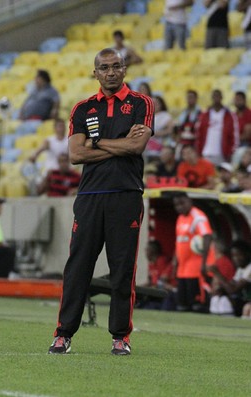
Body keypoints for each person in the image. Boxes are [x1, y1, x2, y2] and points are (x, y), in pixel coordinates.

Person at [48, 48, 154, 355]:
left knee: (122, 270)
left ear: (124, 69)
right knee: (77, 268)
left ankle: (120, 337)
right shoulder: (83, 109)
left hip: (126, 194)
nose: (111, 72)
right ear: (95, 72)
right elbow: (75, 155)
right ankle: (63, 333)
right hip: (90, 197)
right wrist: (119, 145)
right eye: (104, 67)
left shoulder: (141, 103)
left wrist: (95, 142)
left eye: (116, 66)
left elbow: (137, 146)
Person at [173, 191, 214, 312]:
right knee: (182, 304)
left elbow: (207, 236)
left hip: (196, 267)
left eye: (182, 203)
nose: (180, 207)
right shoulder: (180, 218)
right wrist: (175, 262)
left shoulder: (198, 217)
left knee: (197, 305)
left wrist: (204, 263)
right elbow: (179, 241)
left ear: (189, 201)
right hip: (183, 268)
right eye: (177, 205)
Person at [208, 240, 251, 316]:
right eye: (233, 256)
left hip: (247, 302)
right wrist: (220, 290)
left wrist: (217, 273)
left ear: (247, 254)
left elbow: (233, 290)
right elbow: (232, 284)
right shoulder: (241, 269)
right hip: (245, 300)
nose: (236, 259)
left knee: (247, 308)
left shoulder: (249, 269)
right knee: (219, 298)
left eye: (239, 255)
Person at [196, 89, 238, 165]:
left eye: (218, 96)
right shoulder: (205, 115)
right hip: (206, 152)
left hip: (222, 154)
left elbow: (234, 135)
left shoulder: (229, 115)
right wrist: (198, 150)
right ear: (211, 98)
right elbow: (199, 134)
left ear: (222, 97)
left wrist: (231, 152)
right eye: (214, 96)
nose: (216, 98)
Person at [204, 239, 236, 315]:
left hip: (225, 295)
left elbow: (220, 283)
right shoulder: (216, 261)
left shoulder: (223, 262)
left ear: (215, 249)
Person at [144, 240, 177, 310]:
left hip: (167, 291)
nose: (145, 252)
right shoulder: (151, 264)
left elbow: (162, 280)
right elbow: (151, 281)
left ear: (152, 251)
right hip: (157, 292)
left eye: (147, 250)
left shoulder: (161, 260)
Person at [145, 95, 174, 160]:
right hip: (148, 147)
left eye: (156, 103)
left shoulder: (166, 116)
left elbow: (170, 130)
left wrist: (157, 133)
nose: (154, 105)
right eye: (152, 103)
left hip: (161, 146)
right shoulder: (147, 116)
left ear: (161, 104)